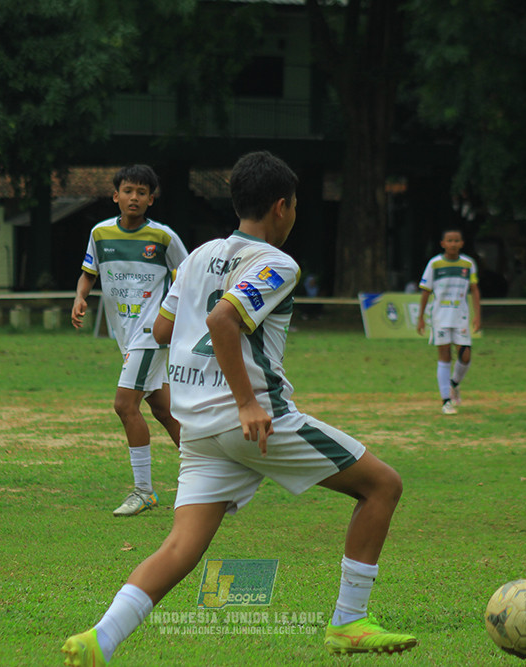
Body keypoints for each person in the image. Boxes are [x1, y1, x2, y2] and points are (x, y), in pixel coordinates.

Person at [62, 151, 416, 666]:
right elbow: (223, 323)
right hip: (251, 419)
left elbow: (160, 331)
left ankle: (100, 638)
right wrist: (248, 403)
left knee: (182, 548)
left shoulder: (198, 257)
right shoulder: (277, 263)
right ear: (281, 207)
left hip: (198, 426)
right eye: (294, 207)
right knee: (383, 485)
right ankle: (348, 622)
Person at [71, 165, 188, 517]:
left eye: (141, 192)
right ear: (115, 195)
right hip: (124, 334)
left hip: (152, 331)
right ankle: (214, 478)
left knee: (124, 405)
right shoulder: (100, 233)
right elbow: (88, 272)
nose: (133, 197)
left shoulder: (164, 238)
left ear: (151, 199)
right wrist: (80, 297)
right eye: (127, 190)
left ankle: (144, 491)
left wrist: (177, 316)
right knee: (164, 410)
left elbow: (188, 276)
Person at [415, 229, 482, 415]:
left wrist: (478, 315)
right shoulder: (434, 264)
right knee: (444, 355)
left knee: (465, 355)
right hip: (440, 316)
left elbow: (474, 290)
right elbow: (426, 291)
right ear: (443, 243)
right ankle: (446, 401)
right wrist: (420, 317)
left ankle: (454, 384)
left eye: (456, 240)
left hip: (460, 316)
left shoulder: (468, 264)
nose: (453, 244)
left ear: (462, 243)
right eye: (449, 240)